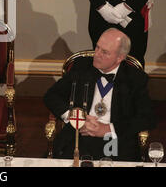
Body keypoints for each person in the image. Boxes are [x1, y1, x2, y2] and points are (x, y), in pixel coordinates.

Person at [44, 28, 156, 161]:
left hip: (114, 139)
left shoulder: (134, 78)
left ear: (119, 57)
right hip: (79, 134)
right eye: (97, 47)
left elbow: (148, 117)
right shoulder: (81, 67)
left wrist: (109, 129)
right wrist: (75, 117)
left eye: (105, 52)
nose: (97, 54)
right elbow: (51, 96)